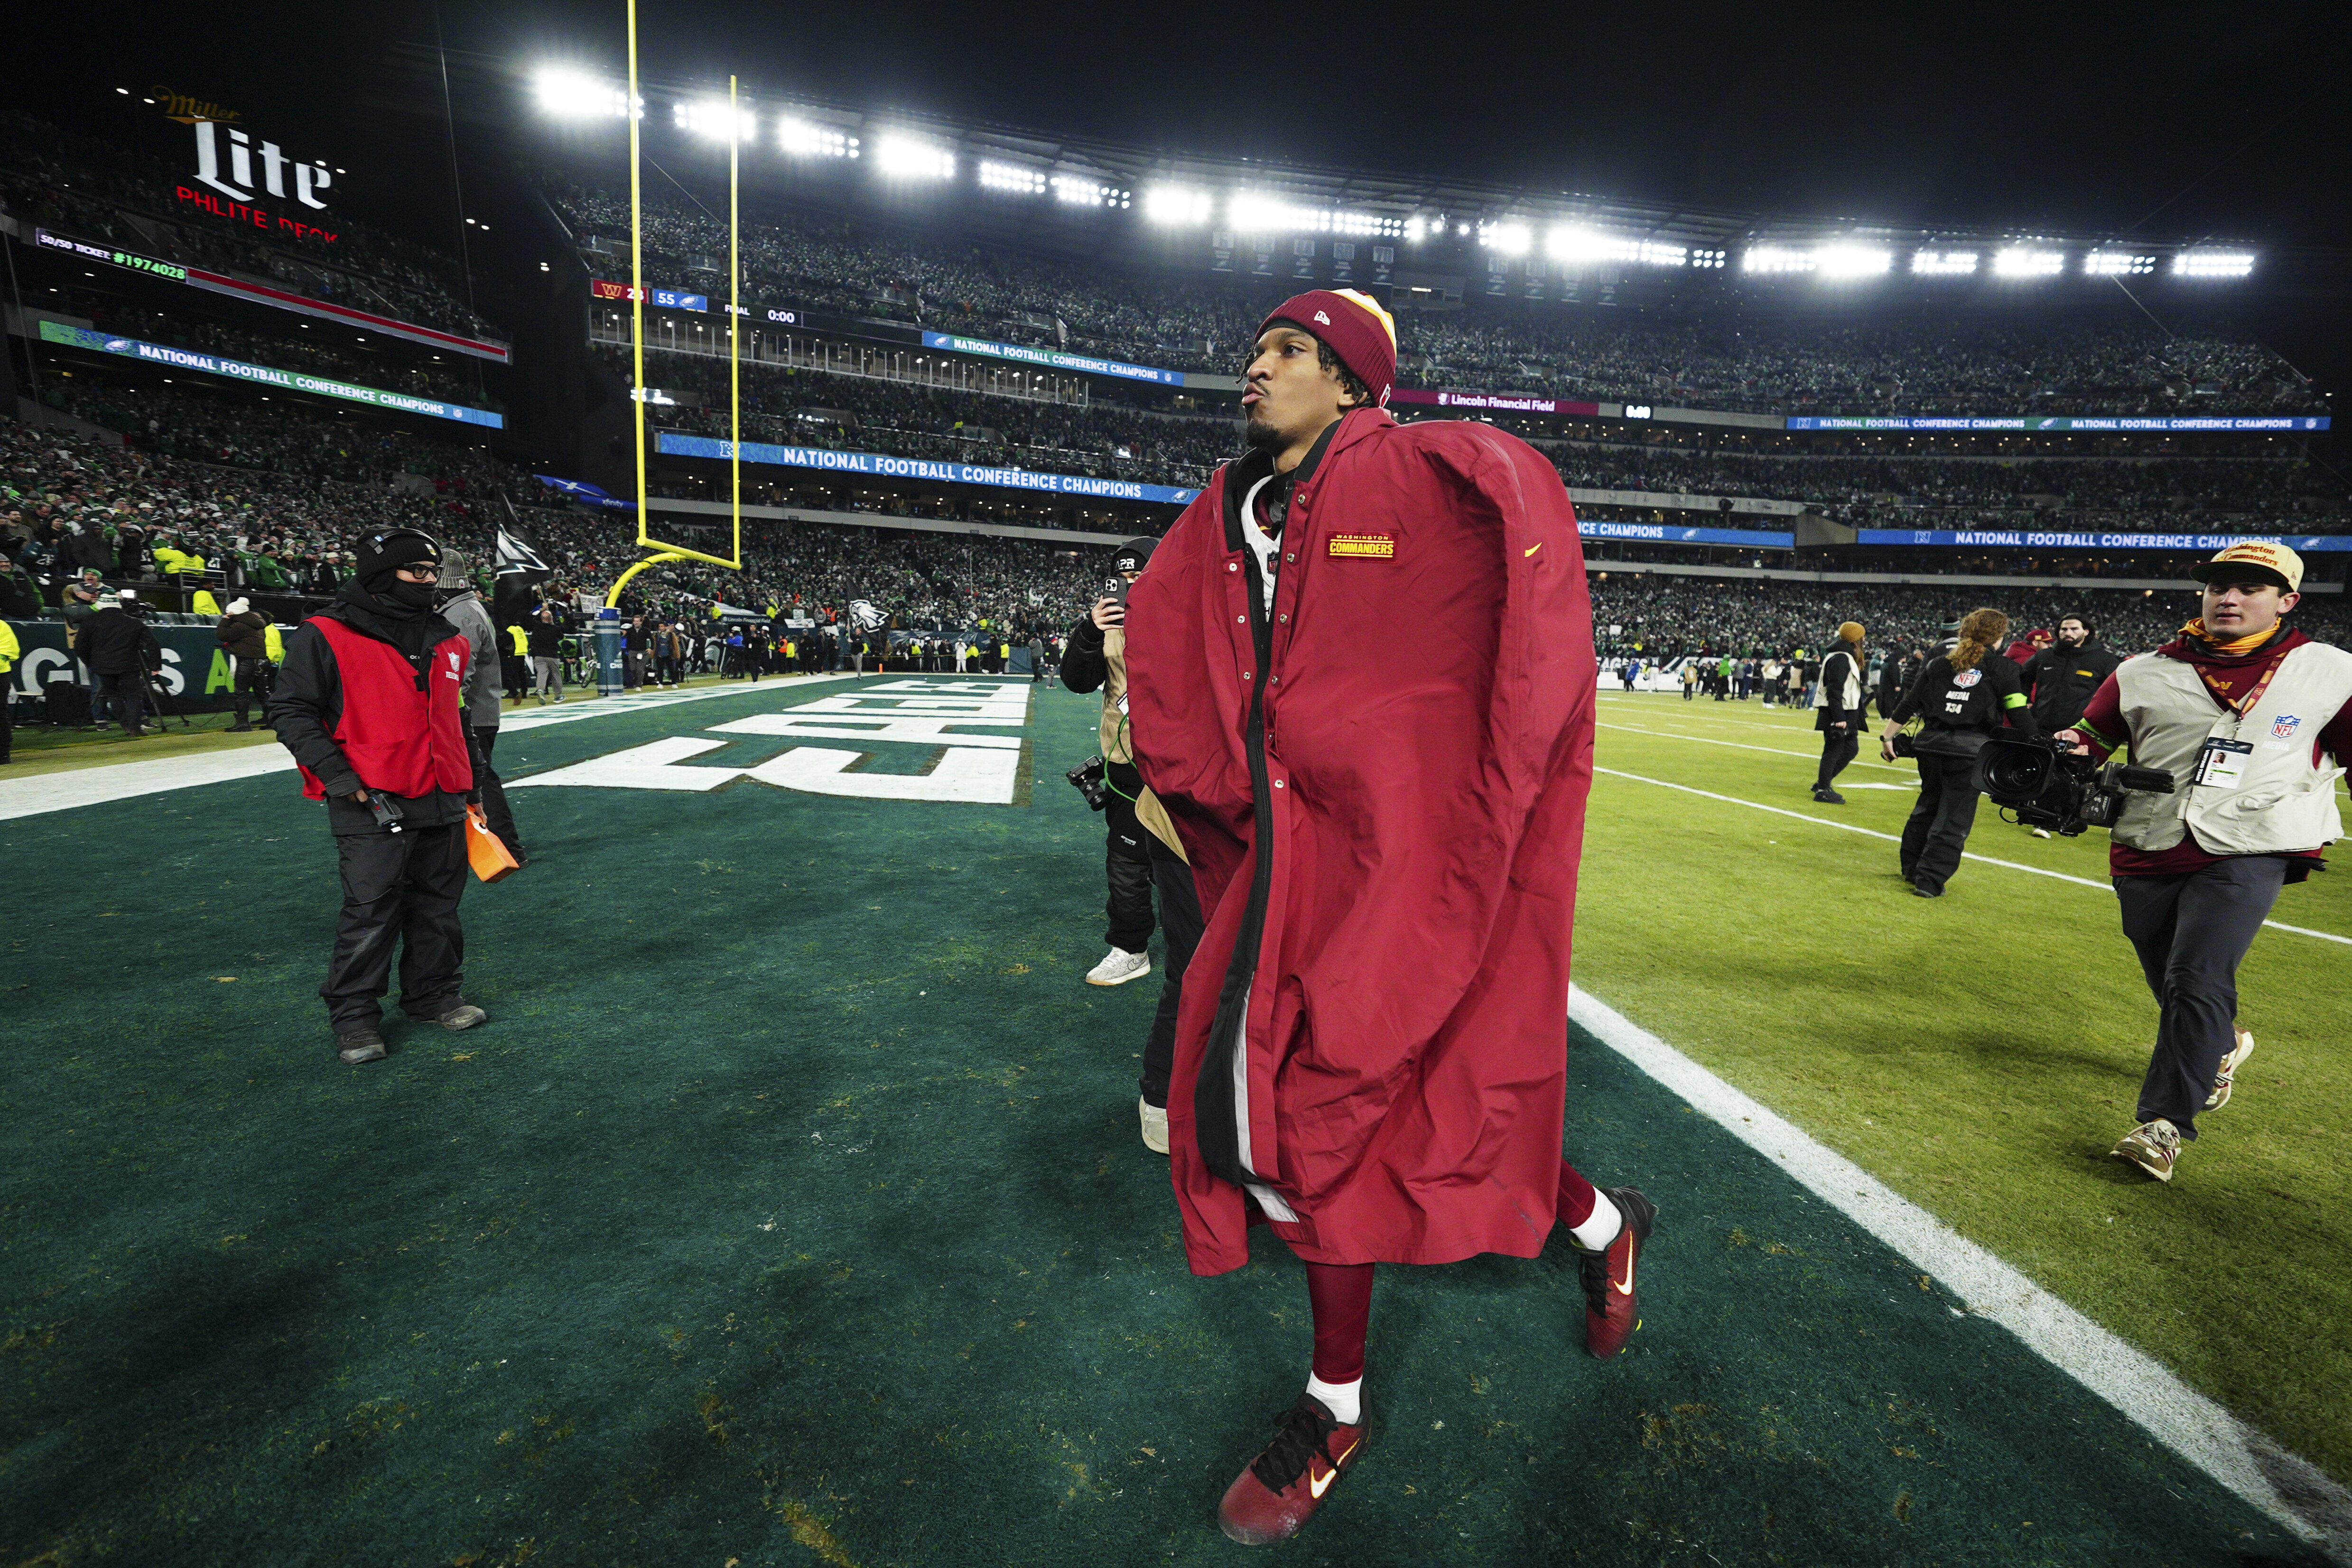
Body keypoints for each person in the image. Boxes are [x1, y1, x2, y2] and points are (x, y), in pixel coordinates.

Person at [1125, 288, 1652, 1545]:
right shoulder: (1237, 509)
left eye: (1288, 352)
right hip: (1288, 863)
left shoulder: (1422, 477)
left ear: (1354, 382)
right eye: (1253, 348)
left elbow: (1511, 616)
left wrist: (1453, 818)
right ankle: (1381, 1369)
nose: (1254, 369)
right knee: (1333, 1117)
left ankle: (1560, 1247)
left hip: (1403, 859)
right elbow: (1183, 644)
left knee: (1417, 1101)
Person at [2059, 544, 2352, 1182]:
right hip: (2147, 841)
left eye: (2250, 588)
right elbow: (2094, 735)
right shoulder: (2141, 670)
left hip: (2254, 843)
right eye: (2219, 585)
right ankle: (2219, 1045)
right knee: (2165, 967)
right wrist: (2068, 748)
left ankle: (2162, 1126)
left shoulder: (2331, 671)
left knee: (2195, 974)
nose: (2230, 597)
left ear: (2287, 602)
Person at [269, 528, 487, 1066]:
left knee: (439, 907)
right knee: (371, 911)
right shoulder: (324, 633)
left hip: (442, 790)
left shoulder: (446, 637)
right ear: (381, 572)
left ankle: (433, 995)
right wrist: (339, 777)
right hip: (371, 796)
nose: (429, 581)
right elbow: (290, 710)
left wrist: (475, 786)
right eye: (418, 571)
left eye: (434, 572)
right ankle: (355, 1017)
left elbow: (457, 719)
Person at [1063, 537, 1204, 1155]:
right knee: (1125, 860)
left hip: (1181, 761)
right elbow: (1075, 680)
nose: (1129, 584)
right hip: (1126, 762)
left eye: (1139, 572)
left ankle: (1193, 955)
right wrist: (1089, 633)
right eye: (1122, 576)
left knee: (1187, 866)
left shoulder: (1190, 609)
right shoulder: (1104, 623)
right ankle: (1129, 947)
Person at [1878, 607, 2035, 898]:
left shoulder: (1938, 664)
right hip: (1968, 752)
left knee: (1927, 806)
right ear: (1999, 637)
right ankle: (1930, 880)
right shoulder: (2005, 669)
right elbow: (2017, 713)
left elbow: (1910, 703)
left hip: (1930, 747)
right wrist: (2043, 742)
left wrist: (1888, 736)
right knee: (1954, 817)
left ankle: (1912, 868)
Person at [437, 550, 526, 866]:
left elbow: (459, 669)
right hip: (480, 710)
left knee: (480, 779)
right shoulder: (467, 607)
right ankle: (500, 845)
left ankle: (505, 847)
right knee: (480, 777)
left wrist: (446, 710)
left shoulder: (459, 615)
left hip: (471, 712)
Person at [77, 591, 163, 737]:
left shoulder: (89, 622)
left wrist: (91, 663)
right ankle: (136, 727)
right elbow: (152, 644)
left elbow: (80, 646)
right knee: (133, 696)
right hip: (128, 665)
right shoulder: (133, 622)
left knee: (113, 695)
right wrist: (155, 665)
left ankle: (126, 726)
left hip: (103, 667)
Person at [2018, 613, 2120, 736]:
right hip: (2040, 728)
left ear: (2086, 632)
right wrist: (2025, 702)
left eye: (2074, 629)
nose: (2068, 633)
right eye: (2064, 629)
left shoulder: (2104, 660)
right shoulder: (2044, 656)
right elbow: (2021, 678)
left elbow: (2117, 690)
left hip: (2079, 732)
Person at [1812, 621, 1868, 804]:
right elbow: (1835, 691)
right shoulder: (1841, 658)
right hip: (1839, 712)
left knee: (1851, 749)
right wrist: (1839, 718)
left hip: (1846, 712)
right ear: (1855, 639)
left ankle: (1823, 783)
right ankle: (1823, 790)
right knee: (1833, 750)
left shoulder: (1842, 656)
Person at [216, 597, 273, 732]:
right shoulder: (257, 625)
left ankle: (242, 723)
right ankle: (272, 720)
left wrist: (225, 619)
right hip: (261, 662)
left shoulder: (240, 626)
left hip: (247, 662)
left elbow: (221, 634)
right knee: (263, 694)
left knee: (242, 693)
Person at [529, 603, 566, 703]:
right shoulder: (555, 629)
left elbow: (533, 619)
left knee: (542, 673)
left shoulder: (536, 628)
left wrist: (542, 610)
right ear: (551, 618)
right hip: (552, 655)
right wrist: (553, 622)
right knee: (555, 674)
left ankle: (541, 689)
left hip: (539, 655)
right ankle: (558, 695)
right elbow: (562, 636)